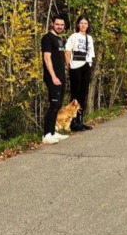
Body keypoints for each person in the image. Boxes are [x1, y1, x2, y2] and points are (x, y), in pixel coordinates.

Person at [41, 15, 70, 144]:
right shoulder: (47, 38)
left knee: (58, 105)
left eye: (62, 25)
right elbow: (47, 58)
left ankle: (53, 132)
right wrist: (53, 76)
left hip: (61, 77)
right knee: (53, 105)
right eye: (57, 24)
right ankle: (46, 134)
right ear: (52, 24)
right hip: (53, 77)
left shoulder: (59, 39)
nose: (60, 27)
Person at [65, 15, 95, 131]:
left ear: (88, 26)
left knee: (83, 93)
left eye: (85, 23)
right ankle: (72, 122)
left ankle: (80, 120)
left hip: (86, 65)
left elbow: (91, 53)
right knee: (75, 94)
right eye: (81, 23)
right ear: (78, 24)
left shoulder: (89, 38)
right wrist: (68, 66)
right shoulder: (74, 36)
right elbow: (67, 51)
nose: (83, 25)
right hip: (75, 66)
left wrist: (89, 65)